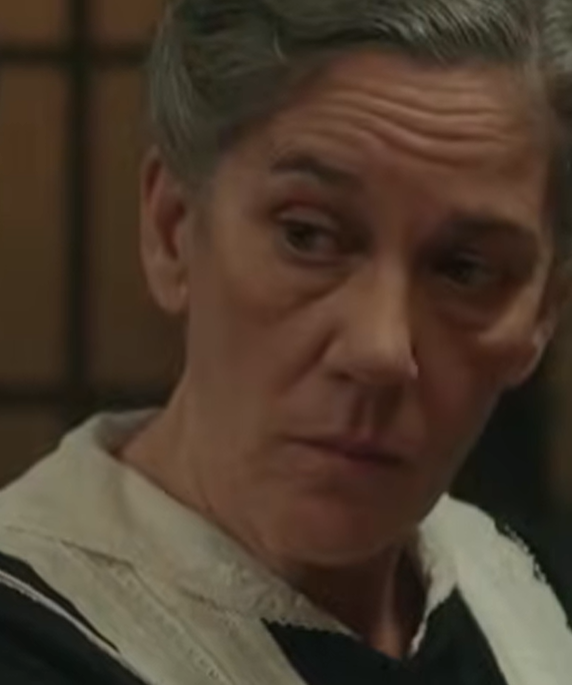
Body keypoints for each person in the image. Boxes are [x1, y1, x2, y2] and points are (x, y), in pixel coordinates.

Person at [1, 0, 572, 683]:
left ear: (543, 312)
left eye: (463, 269)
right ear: (173, 228)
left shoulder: (535, 598)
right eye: (307, 235)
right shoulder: (30, 633)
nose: (379, 349)